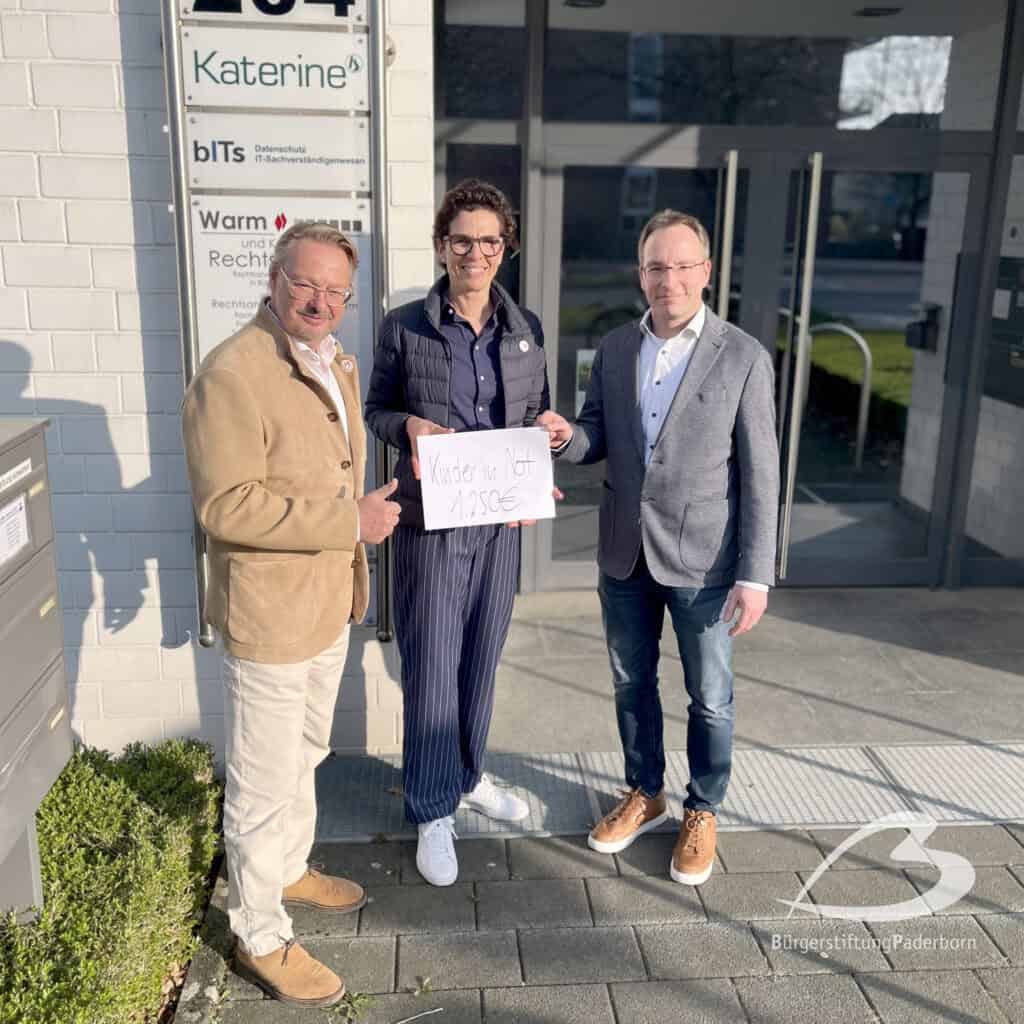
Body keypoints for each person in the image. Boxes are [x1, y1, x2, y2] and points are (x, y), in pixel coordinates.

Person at [181, 222, 401, 1007]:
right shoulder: (232, 373)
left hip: (324, 604)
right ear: (274, 278)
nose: (320, 301)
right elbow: (225, 505)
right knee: (261, 780)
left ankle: (286, 868)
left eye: (336, 290)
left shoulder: (334, 360)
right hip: (270, 615)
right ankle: (260, 934)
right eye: (306, 283)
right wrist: (350, 523)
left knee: (305, 751)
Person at [538, 210, 779, 886]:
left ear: (706, 271)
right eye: (655, 267)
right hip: (624, 550)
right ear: (640, 274)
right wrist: (565, 437)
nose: (668, 279)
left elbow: (762, 473)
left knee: (710, 695)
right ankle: (645, 792)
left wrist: (756, 575)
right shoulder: (617, 347)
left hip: (706, 560)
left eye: (681, 266)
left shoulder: (743, 356)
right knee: (630, 680)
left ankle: (703, 808)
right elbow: (596, 436)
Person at [365, 179, 553, 886]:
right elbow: (377, 409)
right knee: (432, 667)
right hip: (431, 525)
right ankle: (431, 808)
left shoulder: (526, 328)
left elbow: (536, 414)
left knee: (480, 661)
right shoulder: (404, 326)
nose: (476, 253)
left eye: (489, 241)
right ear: (442, 246)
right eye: (462, 241)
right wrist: (409, 425)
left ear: (506, 248)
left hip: (499, 527)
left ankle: (468, 776)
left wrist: (543, 454)